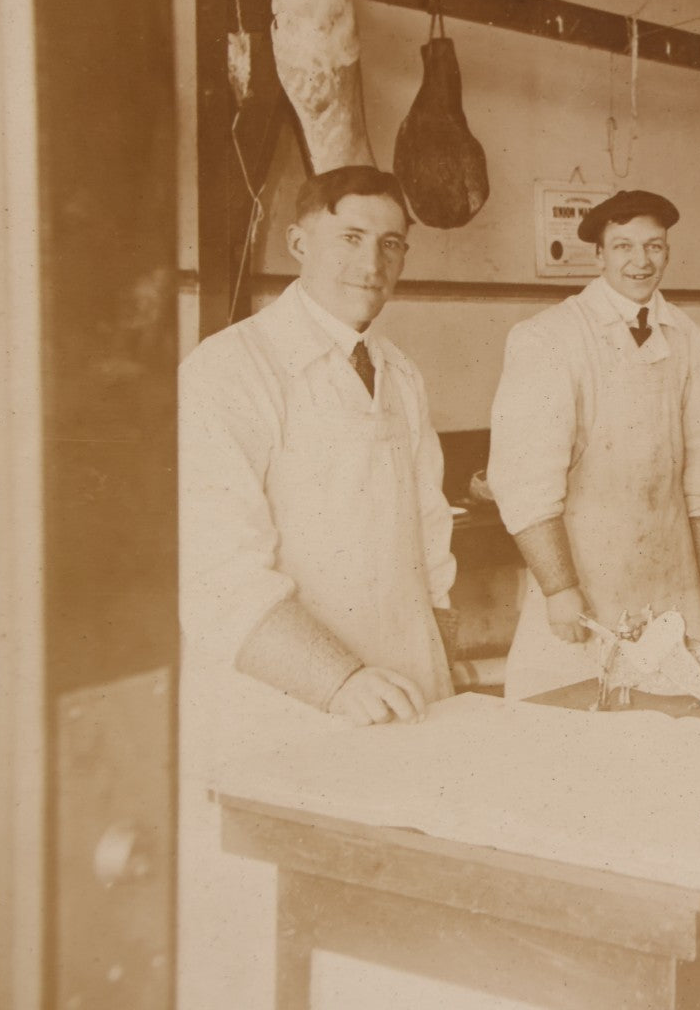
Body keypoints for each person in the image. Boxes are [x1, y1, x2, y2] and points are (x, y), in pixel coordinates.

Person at [176, 165, 458, 1009]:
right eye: (349, 237)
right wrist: (338, 681)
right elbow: (216, 575)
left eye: (390, 243)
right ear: (298, 242)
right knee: (265, 955)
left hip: (402, 695)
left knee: (385, 956)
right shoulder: (229, 371)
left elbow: (427, 532)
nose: (371, 262)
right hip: (284, 708)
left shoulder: (399, 373)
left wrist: (443, 665)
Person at [488, 189, 700, 699]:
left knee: (675, 731)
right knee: (572, 725)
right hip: (585, 582)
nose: (641, 262)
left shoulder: (687, 336)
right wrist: (558, 588)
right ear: (598, 254)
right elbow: (523, 483)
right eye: (623, 246)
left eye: (654, 246)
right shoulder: (548, 337)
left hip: (670, 577)